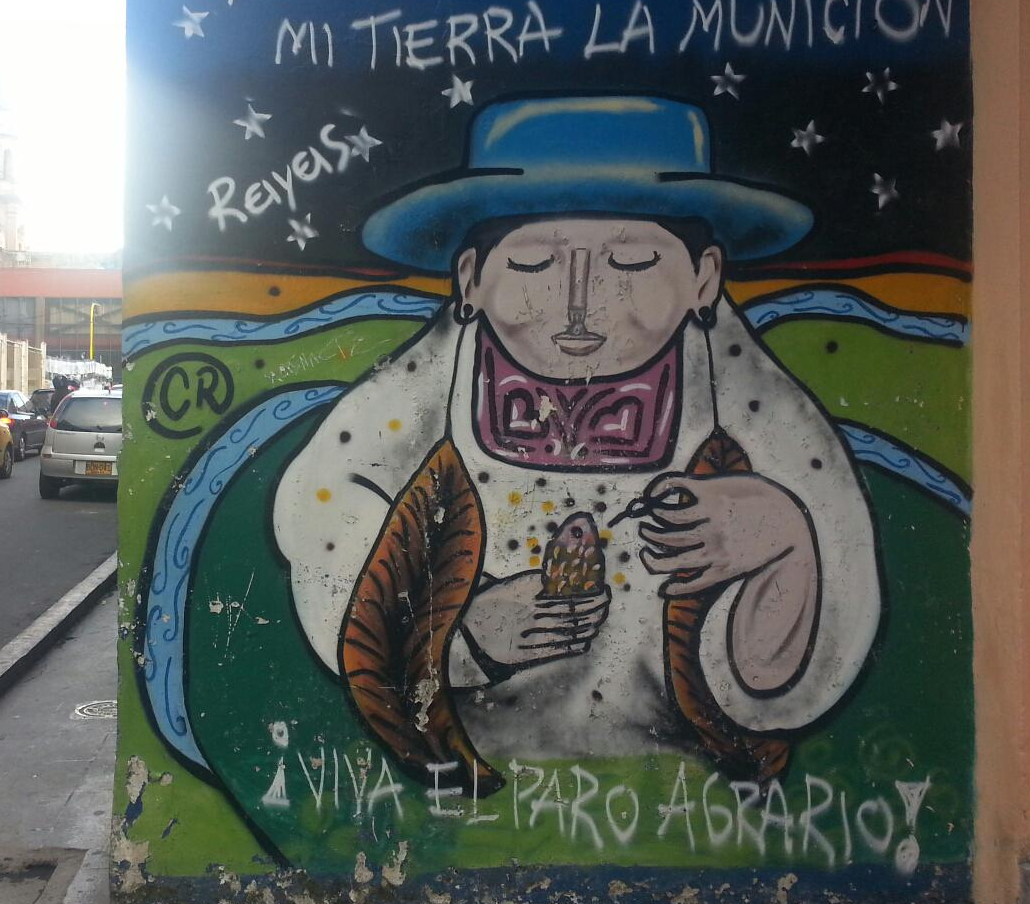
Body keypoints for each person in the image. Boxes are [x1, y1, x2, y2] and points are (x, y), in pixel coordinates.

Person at [273, 95, 881, 782]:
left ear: (705, 279)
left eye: (633, 264)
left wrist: (785, 543)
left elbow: (839, 571)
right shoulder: (413, 406)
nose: (579, 306)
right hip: (464, 783)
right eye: (534, 265)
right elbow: (324, 516)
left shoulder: (753, 413)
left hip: (691, 794)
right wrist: (462, 632)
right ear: (470, 280)